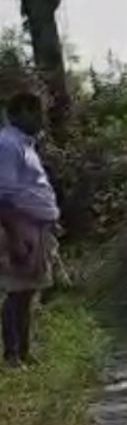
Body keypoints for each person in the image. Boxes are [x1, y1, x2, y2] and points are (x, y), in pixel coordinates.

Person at [0, 92, 60, 367]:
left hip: (34, 225)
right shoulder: (7, 144)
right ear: (23, 111)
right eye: (38, 113)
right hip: (19, 223)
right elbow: (4, 194)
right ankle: (12, 354)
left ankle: (24, 351)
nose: (42, 119)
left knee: (28, 291)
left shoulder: (25, 145)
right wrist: (15, 235)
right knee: (17, 289)